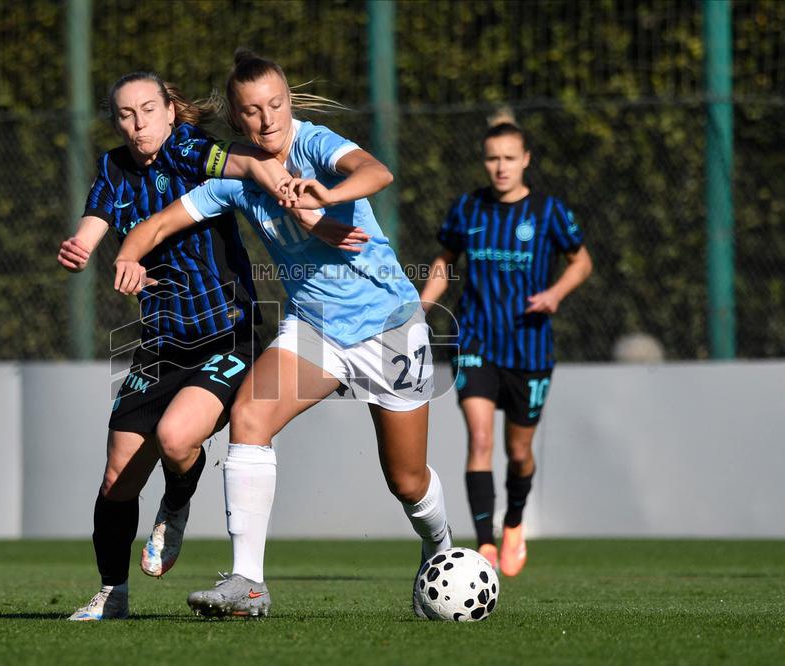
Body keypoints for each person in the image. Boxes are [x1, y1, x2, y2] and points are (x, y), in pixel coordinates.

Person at [112, 50, 453, 618]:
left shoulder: (314, 144)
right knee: (249, 416)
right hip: (316, 330)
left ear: (289, 101)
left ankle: (440, 548)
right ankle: (248, 583)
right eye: (253, 111)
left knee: (407, 479)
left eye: (276, 104)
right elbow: (164, 221)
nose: (269, 119)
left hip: (391, 329)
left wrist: (326, 197)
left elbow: (377, 172)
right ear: (237, 119)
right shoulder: (238, 178)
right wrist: (127, 253)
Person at [56, 71, 350, 621]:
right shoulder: (112, 168)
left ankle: (177, 499)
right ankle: (112, 594)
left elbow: (247, 164)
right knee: (118, 477)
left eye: (149, 109)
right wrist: (83, 247)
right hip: (161, 340)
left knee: (175, 437)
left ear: (170, 111)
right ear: (115, 121)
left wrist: (303, 204)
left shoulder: (194, 153)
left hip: (228, 332)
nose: (138, 123)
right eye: (125, 114)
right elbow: (95, 221)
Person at [419, 116, 593, 576]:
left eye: (509, 159)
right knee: (479, 439)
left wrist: (555, 293)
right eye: (493, 158)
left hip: (530, 349)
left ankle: (514, 521)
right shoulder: (468, 209)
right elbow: (444, 259)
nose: (500, 167)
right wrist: (421, 308)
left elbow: (581, 261)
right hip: (476, 340)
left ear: (526, 161)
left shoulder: (549, 212)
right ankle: (486, 544)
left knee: (518, 453)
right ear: (485, 161)